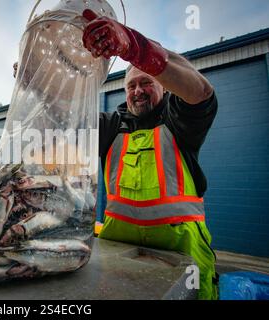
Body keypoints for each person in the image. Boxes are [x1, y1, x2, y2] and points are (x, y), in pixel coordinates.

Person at [81, 9, 218, 299]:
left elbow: (201, 92)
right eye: (131, 86)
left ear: (163, 87)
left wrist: (136, 48)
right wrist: (40, 82)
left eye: (146, 83)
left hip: (183, 255)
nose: (138, 91)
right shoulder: (111, 126)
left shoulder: (178, 118)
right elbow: (66, 121)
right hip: (119, 254)